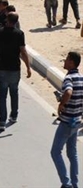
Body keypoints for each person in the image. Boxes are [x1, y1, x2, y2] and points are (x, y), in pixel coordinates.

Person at [0, 12, 32, 132]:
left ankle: (2, 121)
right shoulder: (19, 34)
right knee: (14, 92)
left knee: (2, 95)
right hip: (15, 69)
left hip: (1, 68)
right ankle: (14, 115)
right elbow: (23, 51)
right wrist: (28, 67)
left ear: (7, 19)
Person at [51, 51, 83, 188]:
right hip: (77, 121)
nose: (64, 61)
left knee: (55, 152)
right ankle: (75, 184)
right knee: (72, 153)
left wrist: (61, 104)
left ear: (72, 62)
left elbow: (69, 92)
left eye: (67, 59)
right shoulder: (81, 78)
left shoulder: (69, 78)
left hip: (66, 121)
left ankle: (66, 183)